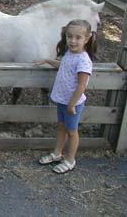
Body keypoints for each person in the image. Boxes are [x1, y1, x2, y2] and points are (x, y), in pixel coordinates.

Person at [34, 19, 97, 174]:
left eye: (78, 37)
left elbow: (82, 85)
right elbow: (63, 66)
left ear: (87, 39)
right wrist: (48, 60)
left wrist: (72, 104)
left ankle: (70, 160)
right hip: (63, 100)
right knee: (61, 127)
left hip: (72, 104)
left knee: (72, 131)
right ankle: (57, 153)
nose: (73, 41)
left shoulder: (83, 60)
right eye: (69, 37)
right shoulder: (69, 53)